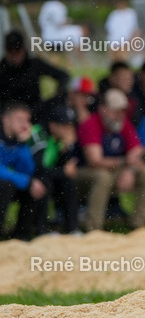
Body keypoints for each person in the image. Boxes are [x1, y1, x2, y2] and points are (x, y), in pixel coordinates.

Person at [76, 88, 145, 231]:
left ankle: (138, 225)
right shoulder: (90, 124)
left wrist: (131, 170)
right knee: (103, 177)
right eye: (115, 110)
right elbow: (94, 161)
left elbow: (138, 153)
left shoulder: (124, 124)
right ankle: (94, 228)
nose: (120, 115)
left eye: (122, 111)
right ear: (103, 109)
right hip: (83, 173)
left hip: (115, 170)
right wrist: (124, 162)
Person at [27, 99, 81, 234]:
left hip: (45, 175)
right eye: (64, 125)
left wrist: (67, 148)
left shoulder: (58, 138)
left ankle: (72, 228)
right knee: (45, 182)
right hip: (29, 176)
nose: (69, 129)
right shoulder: (38, 135)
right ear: (52, 125)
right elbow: (37, 169)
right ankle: (41, 229)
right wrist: (63, 172)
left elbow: (63, 166)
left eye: (70, 125)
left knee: (68, 182)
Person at [0, 103, 47, 240]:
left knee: (37, 186)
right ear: (5, 119)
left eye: (27, 120)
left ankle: (21, 236)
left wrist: (23, 144)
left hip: (8, 182)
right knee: (5, 186)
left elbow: (28, 171)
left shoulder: (16, 141)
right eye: (20, 120)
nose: (25, 125)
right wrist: (28, 181)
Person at [0, 29, 70, 117]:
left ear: (24, 49)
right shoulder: (2, 69)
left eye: (17, 51)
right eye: (11, 52)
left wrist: (59, 89)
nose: (15, 56)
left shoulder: (33, 64)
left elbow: (63, 75)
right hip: (9, 116)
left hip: (35, 113)